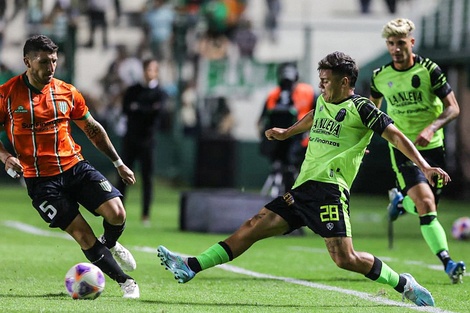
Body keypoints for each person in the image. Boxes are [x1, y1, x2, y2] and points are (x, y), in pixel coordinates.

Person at [156, 51, 452, 307]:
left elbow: (397, 137)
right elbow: (313, 116)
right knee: (253, 224)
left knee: (345, 258)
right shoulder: (324, 101)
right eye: (320, 79)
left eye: (326, 80)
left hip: (331, 191)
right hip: (303, 189)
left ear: (345, 81)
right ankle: (191, 265)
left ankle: (404, 284)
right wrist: (287, 132)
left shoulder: (361, 109)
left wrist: (424, 167)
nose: (321, 84)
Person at [0, 35, 140, 298]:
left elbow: (93, 130)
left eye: (54, 60)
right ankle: (126, 282)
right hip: (41, 181)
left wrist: (118, 163)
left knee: (117, 213)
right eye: (43, 61)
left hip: (74, 166)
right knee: (82, 234)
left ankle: (109, 244)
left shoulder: (66, 91)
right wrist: (6, 156)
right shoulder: (6, 94)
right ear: (27, 62)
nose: (50, 67)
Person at [369, 18, 466, 284]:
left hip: (433, 148)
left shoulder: (429, 70)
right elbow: (370, 113)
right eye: (391, 43)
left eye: (401, 43)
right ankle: (447, 263)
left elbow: (453, 108)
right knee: (426, 204)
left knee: (428, 205)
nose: (396, 48)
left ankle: (400, 202)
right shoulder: (380, 77)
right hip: (401, 147)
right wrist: (363, 142)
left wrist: (432, 128)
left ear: (411, 42)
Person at [116, 58, 168, 226]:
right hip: (130, 139)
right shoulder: (132, 90)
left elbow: (156, 114)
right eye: (147, 69)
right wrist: (145, 110)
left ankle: (145, 214)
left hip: (148, 141)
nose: (149, 72)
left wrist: (138, 109)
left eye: (152, 69)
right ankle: (118, 211)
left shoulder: (160, 93)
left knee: (147, 178)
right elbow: (126, 109)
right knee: (123, 176)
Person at [258, 62, 315, 195]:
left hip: (303, 142)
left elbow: (318, 114)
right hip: (279, 142)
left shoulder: (308, 92)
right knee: (282, 169)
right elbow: (263, 120)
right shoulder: (273, 95)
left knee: (299, 175)